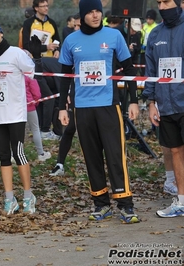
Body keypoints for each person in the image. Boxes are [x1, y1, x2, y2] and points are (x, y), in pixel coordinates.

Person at [58, 0, 140, 224]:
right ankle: (101, 203)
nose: (95, 15)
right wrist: (62, 108)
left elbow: (130, 68)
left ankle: (126, 204)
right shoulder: (71, 41)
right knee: (92, 156)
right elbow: (64, 77)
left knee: (115, 155)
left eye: (98, 11)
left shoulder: (114, 36)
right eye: (91, 12)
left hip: (108, 104)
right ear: (83, 14)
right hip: (82, 108)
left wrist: (133, 101)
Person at [0, 20, 36, 214]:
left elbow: (31, 72)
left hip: (15, 113)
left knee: (18, 153)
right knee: (3, 156)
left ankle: (28, 196)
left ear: (2, 33)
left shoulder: (15, 53)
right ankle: (9, 198)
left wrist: (33, 56)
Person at [142, 0, 184, 218]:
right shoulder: (155, 34)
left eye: (167, 2)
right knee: (175, 150)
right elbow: (151, 70)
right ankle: (181, 200)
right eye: (159, 2)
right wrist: (150, 102)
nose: (162, 7)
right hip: (165, 103)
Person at [22, 0, 61, 140]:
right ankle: (42, 130)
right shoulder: (28, 24)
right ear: (36, 8)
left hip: (51, 65)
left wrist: (57, 50)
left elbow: (57, 40)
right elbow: (26, 45)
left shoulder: (52, 22)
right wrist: (45, 48)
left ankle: (56, 130)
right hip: (36, 64)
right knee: (43, 97)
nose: (46, 8)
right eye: (43, 6)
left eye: (47, 6)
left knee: (55, 96)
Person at [49, 13, 81, 177]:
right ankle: (60, 163)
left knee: (94, 132)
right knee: (70, 128)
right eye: (74, 26)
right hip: (77, 91)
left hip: (97, 96)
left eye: (79, 26)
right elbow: (66, 73)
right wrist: (67, 93)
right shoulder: (71, 42)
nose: (76, 29)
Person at [24, 71, 51, 162]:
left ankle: (14, 154)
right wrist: (35, 102)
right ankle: (41, 153)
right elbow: (37, 93)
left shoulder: (12, 74)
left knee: (17, 131)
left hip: (16, 107)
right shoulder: (29, 75)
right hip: (29, 105)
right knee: (35, 129)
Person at [140, 9, 158, 76]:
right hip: (143, 50)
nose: (148, 21)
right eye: (147, 19)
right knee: (142, 67)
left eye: (150, 19)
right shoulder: (143, 26)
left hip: (151, 50)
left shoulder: (156, 27)